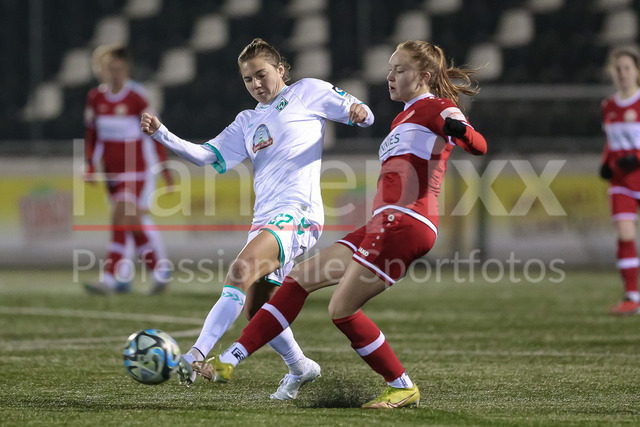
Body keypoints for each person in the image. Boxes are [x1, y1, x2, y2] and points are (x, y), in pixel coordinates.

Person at [197, 40, 488, 409]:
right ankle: (229, 360)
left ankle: (401, 386)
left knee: (341, 309)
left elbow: (478, 145)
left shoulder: (436, 107)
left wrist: (459, 129)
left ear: (424, 77)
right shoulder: (402, 117)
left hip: (406, 222)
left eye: (399, 70)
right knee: (298, 279)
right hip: (381, 223)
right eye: (389, 69)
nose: (390, 76)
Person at [140, 38, 374, 399]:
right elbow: (204, 156)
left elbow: (363, 112)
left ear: (280, 69)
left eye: (261, 75)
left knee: (240, 270)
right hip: (264, 219)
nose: (256, 84)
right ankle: (300, 367)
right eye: (248, 80)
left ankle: (195, 353)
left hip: (298, 213)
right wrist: (161, 133)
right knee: (258, 308)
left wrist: (360, 112)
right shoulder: (247, 121)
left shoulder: (307, 92)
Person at [83, 46, 173, 295]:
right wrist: (90, 165)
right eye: (109, 69)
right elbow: (92, 135)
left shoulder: (136, 97)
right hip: (111, 173)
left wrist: (164, 170)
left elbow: (156, 133)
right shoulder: (96, 98)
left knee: (120, 218)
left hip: (135, 171)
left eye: (119, 69)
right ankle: (159, 272)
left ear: (126, 69)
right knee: (132, 223)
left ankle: (109, 279)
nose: (115, 74)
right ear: (101, 70)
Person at [599, 47, 640, 315]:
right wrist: (606, 162)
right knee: (625, 235)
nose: (622, 73)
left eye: (627, 68)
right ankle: (632, 297)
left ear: (636, 71)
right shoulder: (609, 106)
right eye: (618, 69)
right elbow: (611, 142)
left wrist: (637, 157)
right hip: (621, 181)